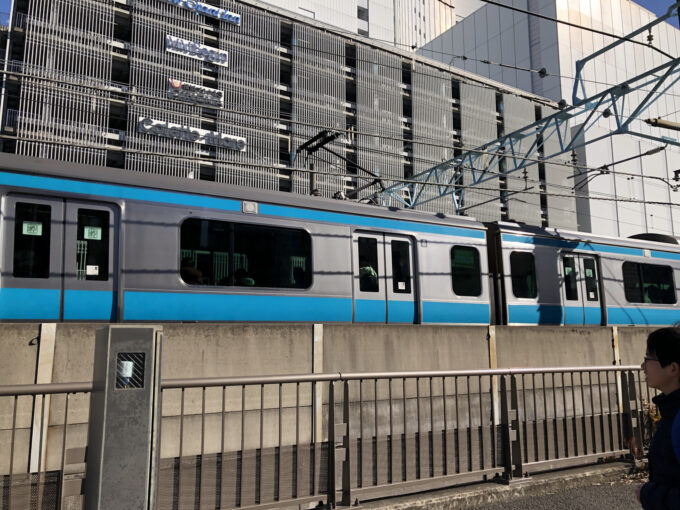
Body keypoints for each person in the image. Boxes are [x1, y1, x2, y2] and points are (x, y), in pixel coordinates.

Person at [637, 327, 680, 509]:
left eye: (648, 359)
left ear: (673, 368)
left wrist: (648, 494)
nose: (642, 366)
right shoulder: (671, 412)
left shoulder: (677, 418)